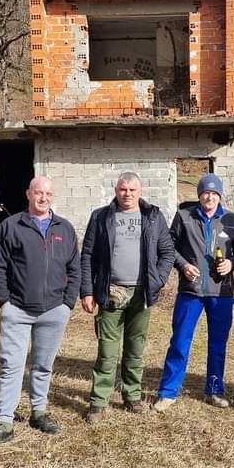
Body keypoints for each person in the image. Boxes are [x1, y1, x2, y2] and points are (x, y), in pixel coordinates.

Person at [0, 176, 80, 446]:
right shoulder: (11, 227)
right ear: (28, 194)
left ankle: (39, 412)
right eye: (38, 193)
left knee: (43, 365)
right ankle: (5, 423)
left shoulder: (65, 228)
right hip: (18, 311)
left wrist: (67, 304)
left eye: (48, 194)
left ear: (53, 196)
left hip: (54, 310)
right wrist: (6, 303)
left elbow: (74, 268)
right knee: (11, 366)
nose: (43, 198)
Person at [80, 172, 176, 423]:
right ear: (116, 190)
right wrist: (87, 291)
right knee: (107, 351)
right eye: (123, 189)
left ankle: (132, 396)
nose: (127, 194)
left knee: (135, 348)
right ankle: (98, 402)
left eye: (132, 190)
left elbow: (167, 251)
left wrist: (158, 279)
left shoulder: (153, 217)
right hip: (111, 291)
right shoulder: (100, 217)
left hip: (141, 293)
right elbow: (88, 255)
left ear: (140, 191)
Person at [154, 173, 234, 412]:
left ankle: (214, 390)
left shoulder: (231, 219)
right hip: (191, 291)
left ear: (220, 196)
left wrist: (232, 263)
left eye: (214, 193)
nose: (210, 197)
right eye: (206, 192)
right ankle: (168, 392)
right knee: (180, 342)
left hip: (221, 293)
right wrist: (183, 265)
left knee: (218, 344)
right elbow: (168, 246)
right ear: (199, 195)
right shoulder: (184, 216)